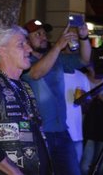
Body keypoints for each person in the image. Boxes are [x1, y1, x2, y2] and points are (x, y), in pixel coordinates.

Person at [0, 26, 51, 175]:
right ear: (2, 50)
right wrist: (14, 172)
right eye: (21, 44)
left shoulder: (25, 87)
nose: (29, 49)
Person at [21, 19, 91, 175]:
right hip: (38, 135)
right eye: (37, 34)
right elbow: (36, 73)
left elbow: (84, 60)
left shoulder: (56, 59)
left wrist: (84, 37)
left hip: (62, 132)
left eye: (44, 33)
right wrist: (58, 46)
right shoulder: (24, 61)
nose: (43, 36)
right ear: (26, 40)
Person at [63, 69, 90, 163]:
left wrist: (84, 100)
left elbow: (86, 109)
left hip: (77, 134)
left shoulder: (82, 77)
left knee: (76, 170)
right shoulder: (53, 72)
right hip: (58, 134)